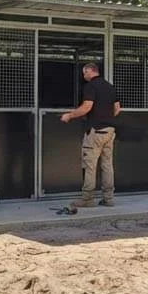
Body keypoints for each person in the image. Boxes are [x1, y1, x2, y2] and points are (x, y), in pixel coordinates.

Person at [60, 62, 121, 210]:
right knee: (107, 165)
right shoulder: (109, 86)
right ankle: (108, 198)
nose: (84, 75)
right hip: (110, 130)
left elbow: (87, 107)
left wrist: (70, 115)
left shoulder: (90, 87)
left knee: (90, 165)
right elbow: (117, 109)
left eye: (84, 73)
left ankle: (87, 198)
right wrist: (106, 118)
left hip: (95, 132)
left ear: (89, 71)